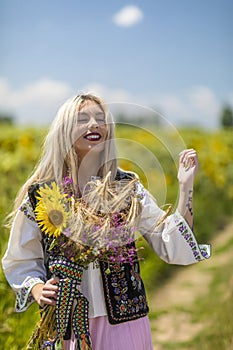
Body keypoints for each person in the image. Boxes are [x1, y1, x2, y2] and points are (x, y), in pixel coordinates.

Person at [2, 94, 210, 350]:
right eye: (83, 118)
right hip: (67, 326)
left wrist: (185, 186)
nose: (95, 124)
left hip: (123, 322)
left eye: (101, 119)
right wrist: (36, 288)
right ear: (64, 129)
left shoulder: (126, 187)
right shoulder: (43, 194)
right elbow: (19, 259)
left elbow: (170, 243)